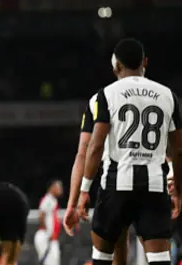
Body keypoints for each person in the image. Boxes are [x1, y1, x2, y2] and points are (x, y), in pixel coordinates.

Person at [77, 38, 182, 265]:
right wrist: (179, 190)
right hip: (154, 185)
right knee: (159, 258)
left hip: (117, 185)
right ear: (145, 62)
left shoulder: (106, 94)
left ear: (115, 66)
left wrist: (84, 189)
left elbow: (95, 146)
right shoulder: (168, 95)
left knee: (103, 257)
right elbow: (178, 149)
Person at [64, 94, 130, 265]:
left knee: (108, 249)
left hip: (116, 181)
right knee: (155, 252)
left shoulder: (102, 98)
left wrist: (76, 199)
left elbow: (84, 152)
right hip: (154, 183)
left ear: (116, 67)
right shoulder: (162, 95)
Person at [35, 180, 63, 265]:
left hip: (50, 238)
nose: (61, 190)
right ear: (52, 187)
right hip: (46, 237)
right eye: (59, 187)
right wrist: (48, 232)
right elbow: (41, 214)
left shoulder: (53, 200)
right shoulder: (48, 198)